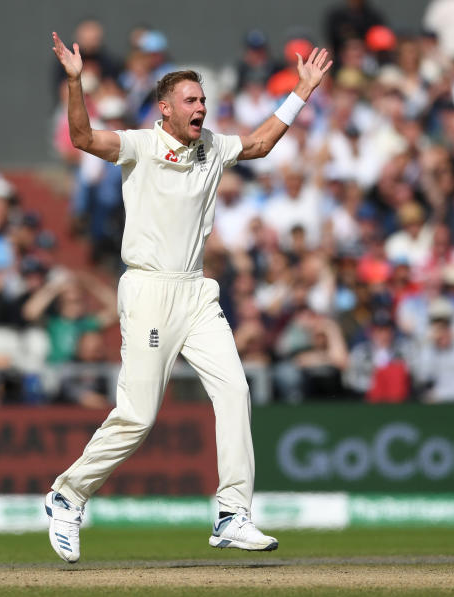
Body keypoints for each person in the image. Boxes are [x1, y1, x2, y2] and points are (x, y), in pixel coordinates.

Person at [46, 31, 332, 563]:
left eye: (203, 100)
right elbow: (84, 138)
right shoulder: (140, 144)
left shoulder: (214, 147)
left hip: (198, 291)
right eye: (191, 101)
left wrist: (302, 92)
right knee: (138, 415)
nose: (201, 108)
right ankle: (68, 493)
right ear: (166, 109)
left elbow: (261, 143)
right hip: (149, 287)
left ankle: (232, 514)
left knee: (235, 391)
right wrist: (74, 80)